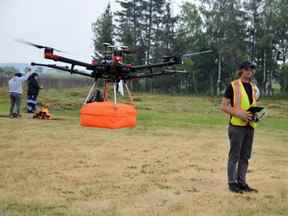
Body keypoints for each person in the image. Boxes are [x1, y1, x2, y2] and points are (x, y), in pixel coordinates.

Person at [220, 61, 259, 193]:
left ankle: (242, 183)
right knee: (234, 156)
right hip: (237, 126)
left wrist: (257, 115)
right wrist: (239, 114)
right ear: (241, 70)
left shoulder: (254, 87)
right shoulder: (233, 85)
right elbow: (223, 106)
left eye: (251, 69)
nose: (249, 71)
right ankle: (232, 183)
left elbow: (251, 105)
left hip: (250, 126)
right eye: (247, 69)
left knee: (245, 156)